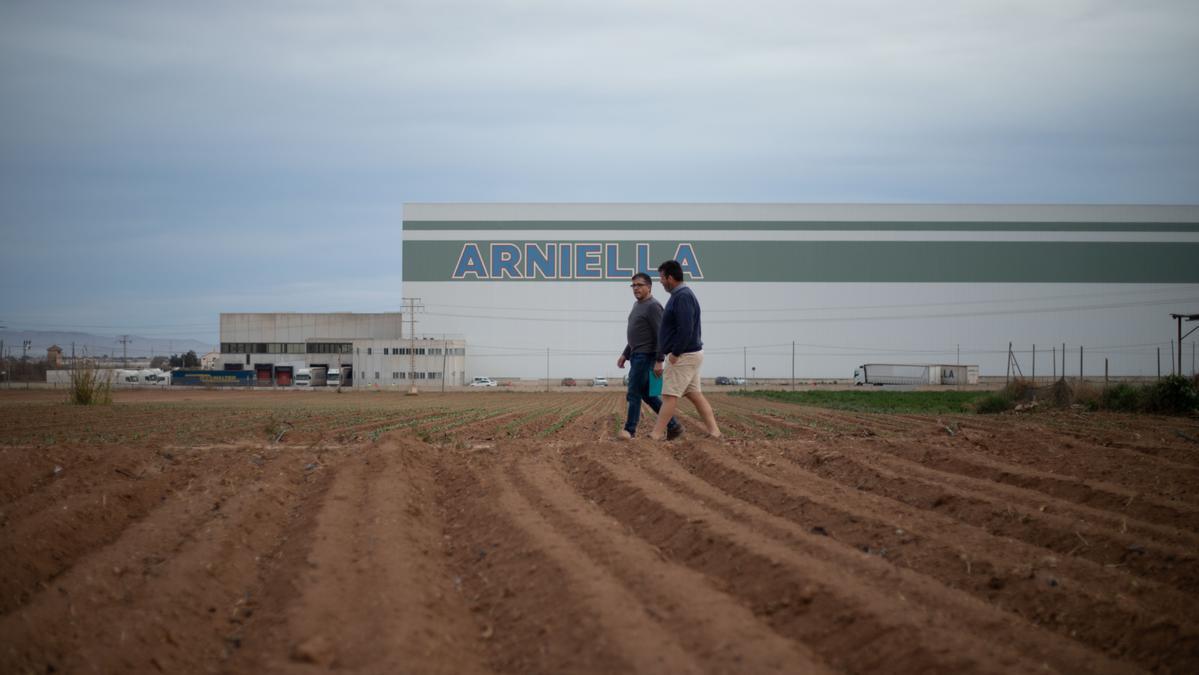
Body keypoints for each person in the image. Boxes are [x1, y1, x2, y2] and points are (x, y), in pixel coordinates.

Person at [648, 260, 721, 441]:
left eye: (661, 278)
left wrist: (675, 353)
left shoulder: (682, 296)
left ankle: (655, 435)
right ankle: (715, 432)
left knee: (669, 395)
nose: (660, 282)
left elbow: (686, 328)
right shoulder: (680, 295)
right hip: (691, 354)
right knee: (694, 394)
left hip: (684, 355)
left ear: (670, 278)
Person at [616, 273, 682, 440]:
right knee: (648, 395)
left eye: (639, 285)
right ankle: (673, 426)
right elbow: (637, 334)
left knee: (633, 393)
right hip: (637, 355)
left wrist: (659, 360)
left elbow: (661, 335)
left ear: (649, 287)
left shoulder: (653, 306)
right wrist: (626, 353)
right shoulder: (637, 305)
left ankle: (629, 431)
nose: (636, 288)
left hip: (646, 357)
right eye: (633, 285)